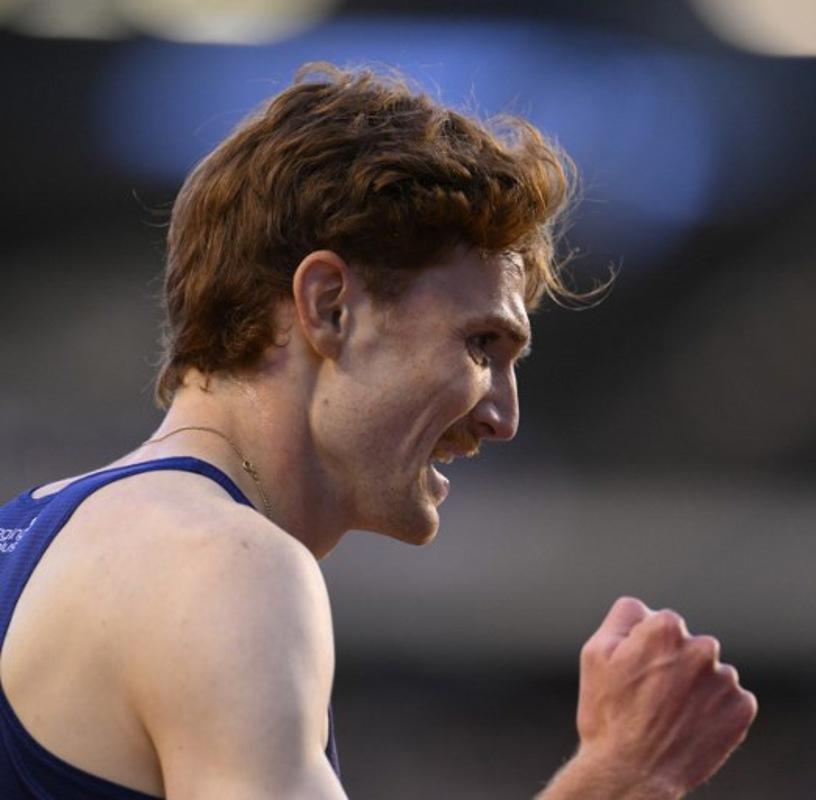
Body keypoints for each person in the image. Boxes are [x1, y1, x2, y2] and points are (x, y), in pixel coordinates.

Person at [0, 63, 756, 798]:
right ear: (330, 307)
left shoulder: (31, 538)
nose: (503, 418)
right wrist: (625, 775)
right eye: (480, 346)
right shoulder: (228, 565)